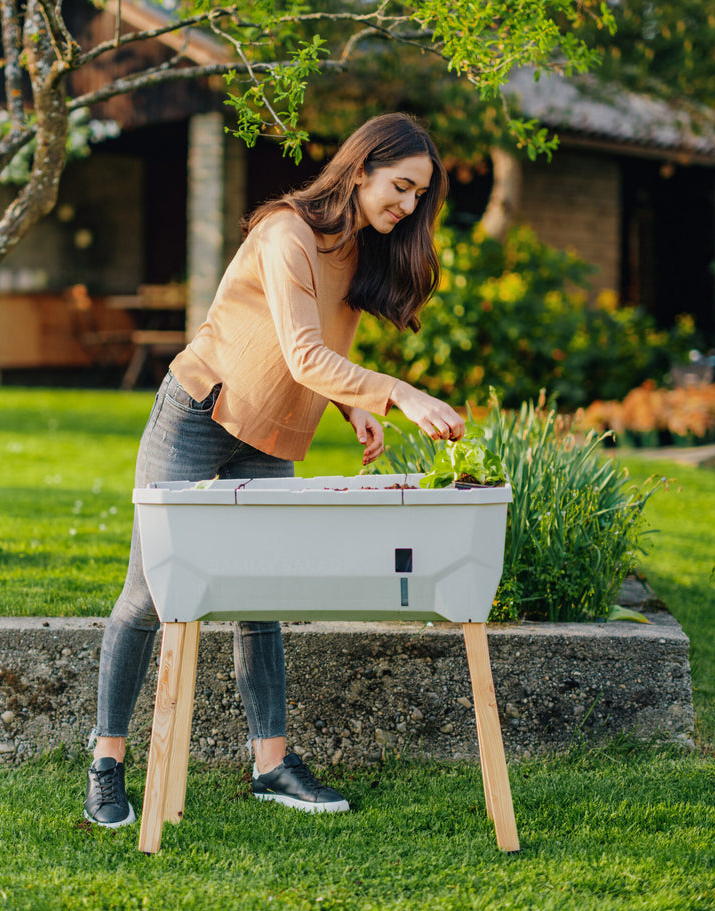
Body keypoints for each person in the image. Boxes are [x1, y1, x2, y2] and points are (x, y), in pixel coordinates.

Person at [85, 112, 465, 828]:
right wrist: (399, 393)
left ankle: (271, 764)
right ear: (361, 171)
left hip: (271, 436)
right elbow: (299, 352)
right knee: (149, 593)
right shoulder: (286, 233)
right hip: (199, 411)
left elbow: (311, 357)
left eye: (420, 196)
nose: (409, 206)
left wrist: (350, 406)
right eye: (402, 187)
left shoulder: (362, 252)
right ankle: (106, 761)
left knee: (260, 596)